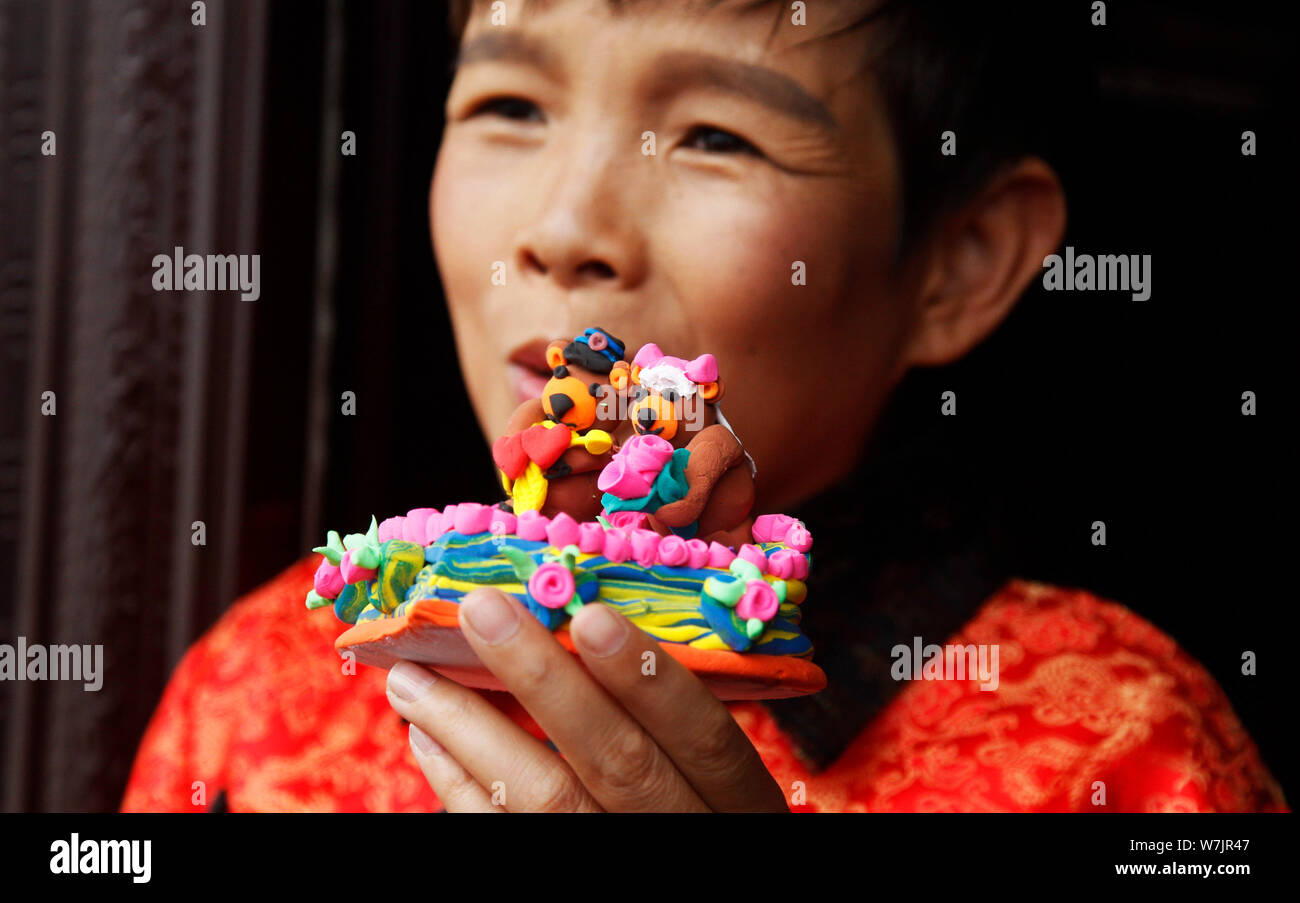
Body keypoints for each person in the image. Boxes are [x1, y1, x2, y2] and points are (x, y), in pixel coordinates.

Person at [121, 0, 1286, 812]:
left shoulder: (1115, 737)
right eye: (509, 106)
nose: (565, 226)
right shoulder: (267, 678)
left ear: (961, 259)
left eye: (714, 135)